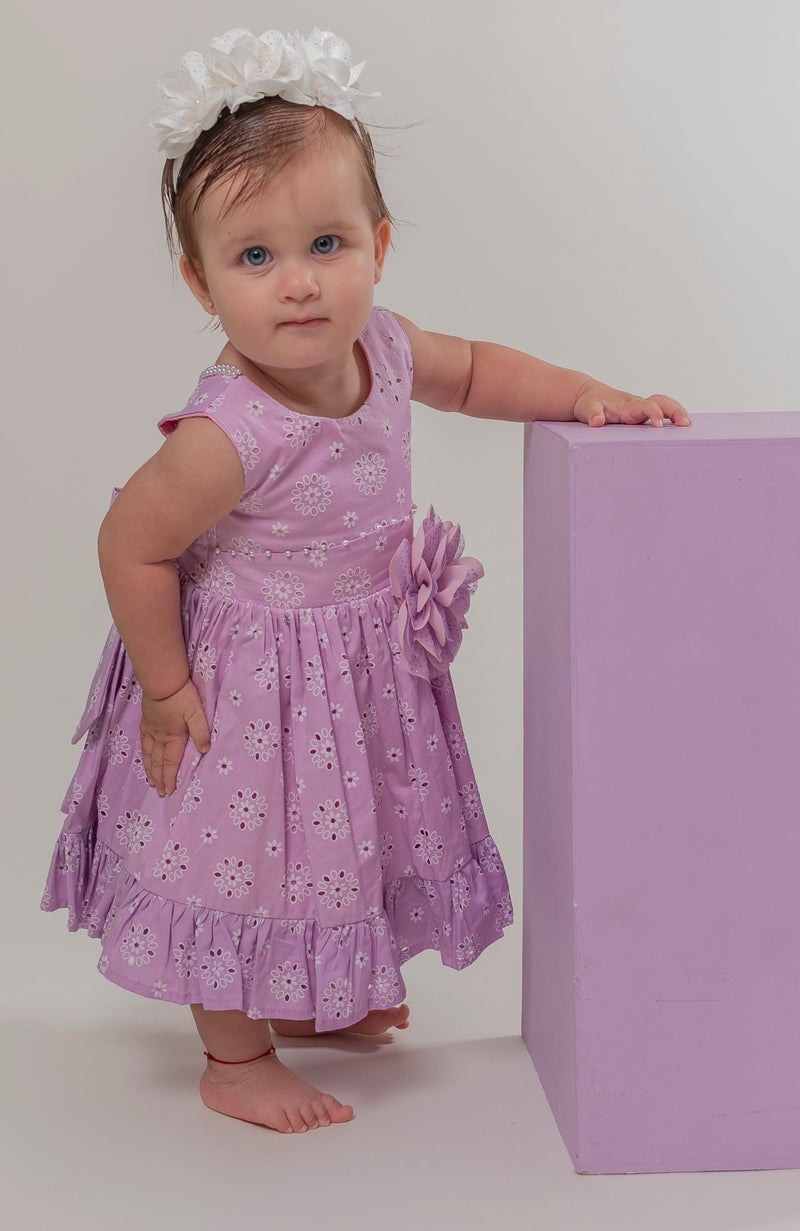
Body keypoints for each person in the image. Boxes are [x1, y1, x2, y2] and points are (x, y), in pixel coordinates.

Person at [41, 26, 691, 1136]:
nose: (298, 282)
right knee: (237, 854)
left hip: (352, 668)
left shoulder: (383, 350)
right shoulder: (228, 431)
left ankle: (311, 995)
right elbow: (129, 542)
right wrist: (164, 685)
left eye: (326, 243)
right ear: (200, 279)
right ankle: (235, 1057)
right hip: (243, 684)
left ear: (378, 246)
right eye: (254, 258)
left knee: (337, 836)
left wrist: (586, 393)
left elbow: (475, 372)